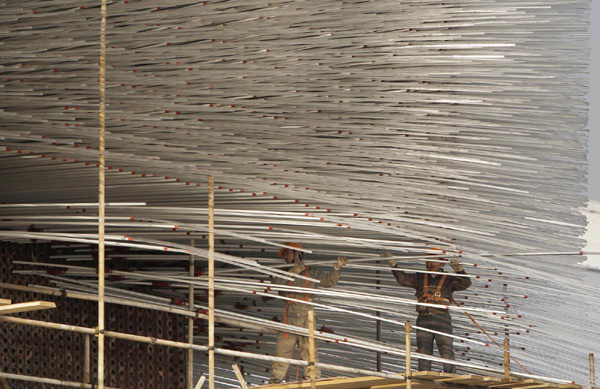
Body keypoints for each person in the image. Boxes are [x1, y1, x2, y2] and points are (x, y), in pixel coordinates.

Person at [269, 242, 347, 384]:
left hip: (307, 315)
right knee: (282, 352)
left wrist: (336, 269)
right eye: (285, 254)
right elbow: (274, 286)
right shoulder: (282, 273)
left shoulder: (312, 273)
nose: (285, 256)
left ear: (297, 253)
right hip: (290, 316)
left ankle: (312, 381)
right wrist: (290, 273)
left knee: (309, 351)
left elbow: (329, 281)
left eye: (287, 252)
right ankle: (274, 383)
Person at [384, 250, 471, 373]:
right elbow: (402, 279)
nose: (431, 264)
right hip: (424, 319)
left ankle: (451, 382)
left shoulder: (449, 279)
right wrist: (393, 265)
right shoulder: (420, 277)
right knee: (423, 353)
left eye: (435, 261)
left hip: (442, 318)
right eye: (429, 260)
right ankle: (424, 382)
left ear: (442, 263)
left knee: (446, 353)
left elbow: (465, 284)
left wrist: (459, 270)